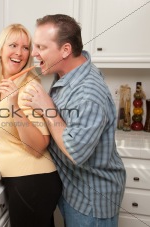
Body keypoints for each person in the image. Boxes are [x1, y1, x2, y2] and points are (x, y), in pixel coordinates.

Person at [21, 14, 126, 227]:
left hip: (92, 201)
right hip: (73, 190)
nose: (34, 53)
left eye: (41, 47)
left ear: (66, 50)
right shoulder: (66, 71)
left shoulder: (89, 92)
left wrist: (48, 109)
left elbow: (76, 150)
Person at [0, 24, 62, 227]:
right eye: (13, 45)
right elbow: (11, 137)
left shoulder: (28, 88)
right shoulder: (4, 84)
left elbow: (38, 146)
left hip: (33, 181)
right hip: (22, 179)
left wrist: (15, 104)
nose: (19, 52)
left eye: (26, 47)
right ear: (0, 50)